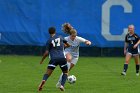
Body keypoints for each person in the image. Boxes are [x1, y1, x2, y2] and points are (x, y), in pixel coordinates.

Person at [56, 23, 91, 87]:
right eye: (72, 36)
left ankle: (59, 82)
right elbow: (59, 44)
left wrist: (88, 43)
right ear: (70, 35)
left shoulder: (78, 38)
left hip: (75, 56)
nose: (74, 37)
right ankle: (61, 84)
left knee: (67, 70)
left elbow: (87, 41)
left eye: (75, 36)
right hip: (67, 53)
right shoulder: (66, 39)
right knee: (68, 59)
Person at [38, 27, 70, 91]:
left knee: (47, 73)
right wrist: (63, 47)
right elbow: (68, 45)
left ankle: (43, 81)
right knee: (65, 73)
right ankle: (62, 86)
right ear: (55, 31)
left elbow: (46, 53)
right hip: (62, 58)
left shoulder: (49, 41)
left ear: (49, 33)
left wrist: (42, 60)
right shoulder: (61, 37)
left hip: (54, 59)